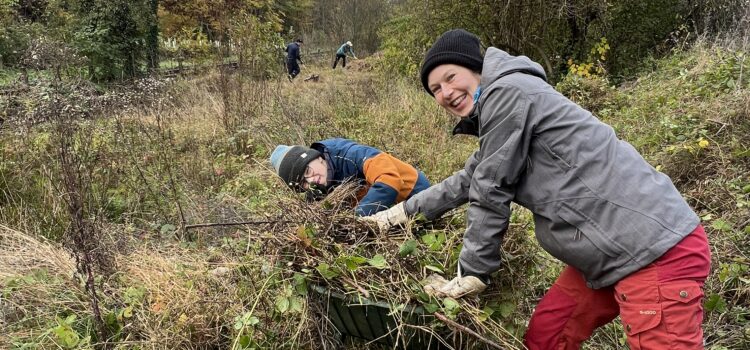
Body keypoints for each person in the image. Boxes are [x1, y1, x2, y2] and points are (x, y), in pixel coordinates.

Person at [367, 29, 711, 350]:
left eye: (450, 77)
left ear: (476, 69)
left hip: (654, 249)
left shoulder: (507, 92)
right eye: (435, 89)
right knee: (547, 336)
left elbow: (490, 187)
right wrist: (399, 213)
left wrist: (472, 270)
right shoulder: (504, 109)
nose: (445, 92)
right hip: (607, 253)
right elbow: (468, 180)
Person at [269, 138, 430, 216]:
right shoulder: (318, 186)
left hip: (417, 197)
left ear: (316, 157)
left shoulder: (350, 154)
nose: (312, 180)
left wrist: (356, 219)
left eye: (307, 172)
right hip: (389, 214)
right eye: (303, 182)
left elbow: (389, 180)